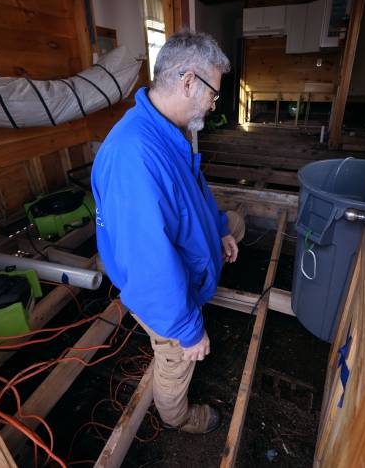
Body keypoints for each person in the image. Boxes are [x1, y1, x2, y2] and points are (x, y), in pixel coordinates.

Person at [91, 30, 243, 434]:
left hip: (182, 262)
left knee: (236, 221)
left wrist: (219, 229)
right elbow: (149, 265)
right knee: (176, 357)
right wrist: (187, 329)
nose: (215, 103)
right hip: (160, 292)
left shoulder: (166, 128)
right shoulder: (133, 157)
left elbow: (194, 190)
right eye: (213, 92)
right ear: (189, 80)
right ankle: (178, 418)